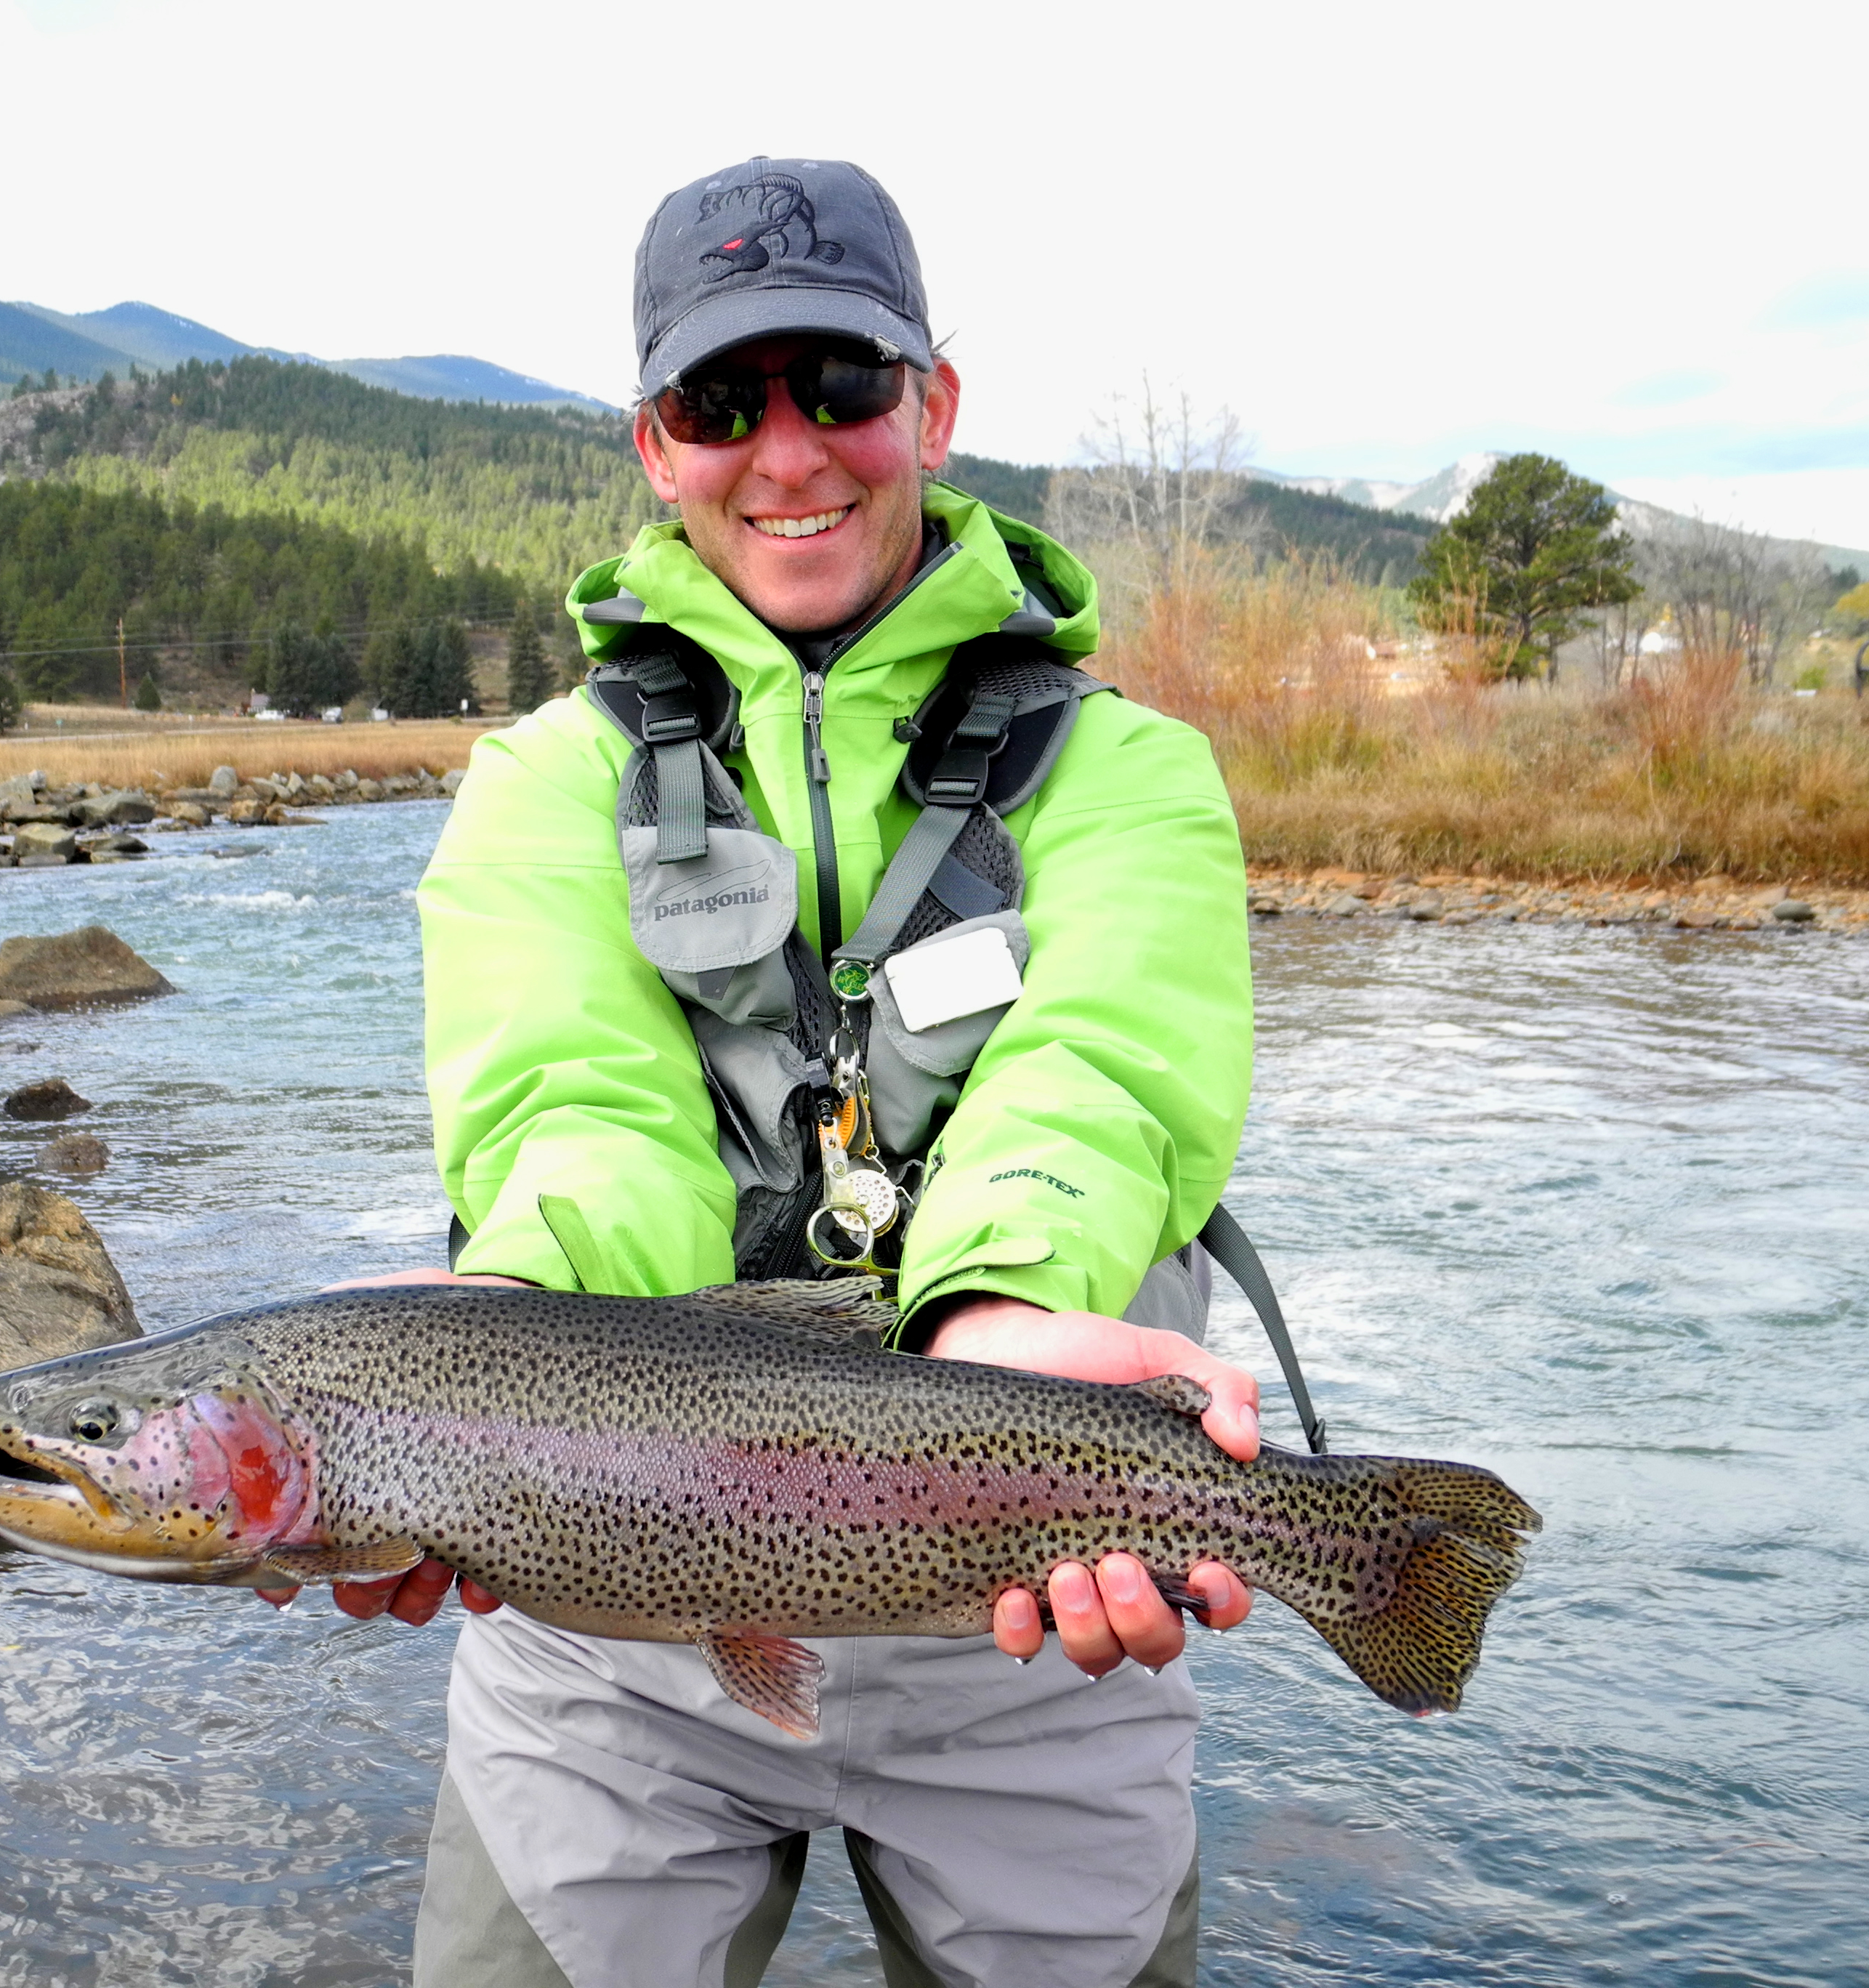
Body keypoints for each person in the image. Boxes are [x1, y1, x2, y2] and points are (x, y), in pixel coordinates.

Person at [304, 157, 1259, 1988]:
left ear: (935, 406)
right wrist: (491, 1334)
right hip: (606, 1600)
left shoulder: (1134, 770)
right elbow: (580, 1110)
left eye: (840, 386)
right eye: (720, 402)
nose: (790, 450)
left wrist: (995, 1309)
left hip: (1026, 1607)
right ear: (652, 444)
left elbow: (1105, 1073)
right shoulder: (541, 785)